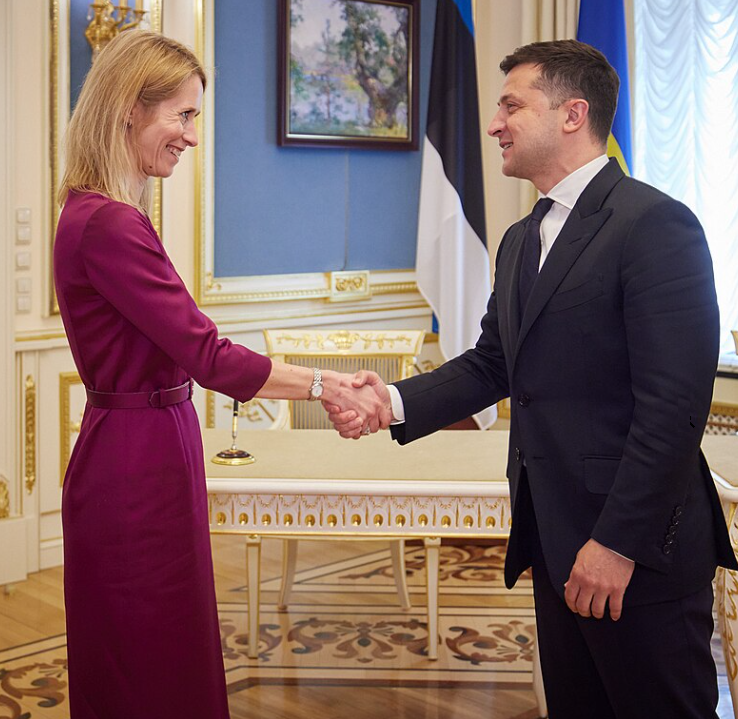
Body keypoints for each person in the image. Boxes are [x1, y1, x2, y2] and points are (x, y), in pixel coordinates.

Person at [326, 40, 737, 718]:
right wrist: (390, 400)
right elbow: (494, 362)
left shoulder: (655, 225)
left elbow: (673, 409)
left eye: (512, 106)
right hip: (553, 537)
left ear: (572, 114)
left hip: (634, 550)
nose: (495, 124)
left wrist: (616, 544)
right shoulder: (521, 238)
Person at [54, 30, 387, 719]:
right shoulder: (109, 224)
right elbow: (206, 354)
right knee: (147, 658)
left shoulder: (101, 213)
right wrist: (326, 385)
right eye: (182, 114)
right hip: (135, 464)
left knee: (157, 648)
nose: (192, 135)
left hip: (147, 447)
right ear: (129, 107)